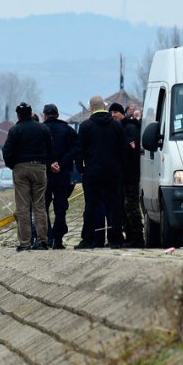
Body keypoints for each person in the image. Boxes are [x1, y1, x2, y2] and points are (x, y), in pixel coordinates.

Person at [75, 95, 125, 250]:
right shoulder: (116, 126)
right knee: (114, 206)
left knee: (91, 206)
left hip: (92, 172)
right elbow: (123, 150)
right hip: (113, 172)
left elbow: (79, 151)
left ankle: (89, 239)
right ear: (104, 106)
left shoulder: (85, 126)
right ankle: (116, 239)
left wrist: (81, 169)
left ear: (91, 108)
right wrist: (119, 168)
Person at [2, 102, 53, 251]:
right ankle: (42, 241)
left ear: (18, 115)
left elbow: (7, 151)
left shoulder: (15, 130)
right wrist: (45, 162)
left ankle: (25, 243)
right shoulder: (43, 128)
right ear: (31, 113)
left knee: (22, 207)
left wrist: (13, 165)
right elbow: (50, 148)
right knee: (39, 205)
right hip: (39, 168)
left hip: (21, 168)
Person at [42, 103, 79, 249]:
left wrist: (49, 164)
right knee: (60, 207)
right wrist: (61, 164)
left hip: (44, 174)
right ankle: (58, 239)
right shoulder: (68, 131)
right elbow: (76, 149)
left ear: (44, 115)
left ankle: (48, 236)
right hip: (63, 174)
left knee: (43, 207)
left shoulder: (41, 130)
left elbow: (38, 151)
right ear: (57, 115)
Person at [109, 102, 144, 248]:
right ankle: (129, 235)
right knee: (124, 207)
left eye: (115, 113)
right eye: (111, 113)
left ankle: (137, 236)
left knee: (130, 206)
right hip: (123, 174)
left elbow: (131, 149)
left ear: (121, 113)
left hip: (130, 174)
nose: (113, 116)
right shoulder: (120, 127)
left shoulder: (129, 128)